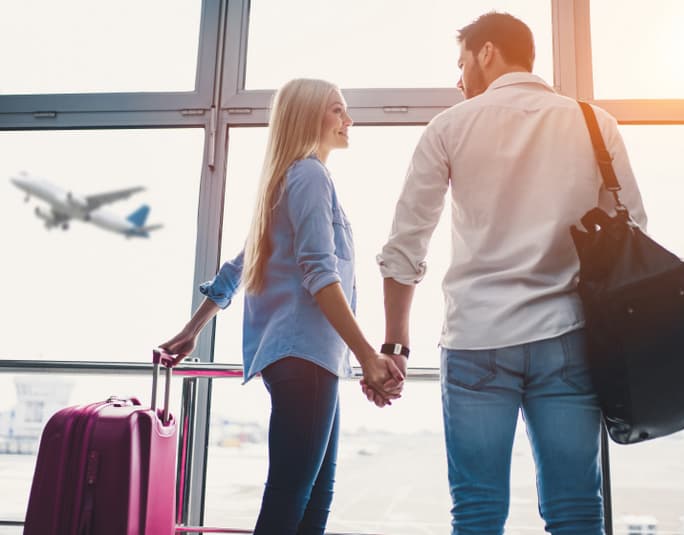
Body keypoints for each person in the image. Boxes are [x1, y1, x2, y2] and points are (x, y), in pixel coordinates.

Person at [370, 12, 647, 535]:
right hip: (567, 337)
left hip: (477, 339)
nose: (458, 79)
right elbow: (633, 226)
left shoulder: (450, 127)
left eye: (461, 63)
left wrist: (395, 347)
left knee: (476, 511)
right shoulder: (593, 123)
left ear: (488, 52)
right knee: (577, 510)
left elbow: (405, 247)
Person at [159, 78, 404, 535]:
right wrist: (369, 356)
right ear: (309, 116)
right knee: (294, 497)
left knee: (309, 498)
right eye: (337, 110)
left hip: (307, 358)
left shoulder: (290, 179)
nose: (349, 120)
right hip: (305, 356)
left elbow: (239, 266)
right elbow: (320, 275)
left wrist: (194, 330)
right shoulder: (309, 175)